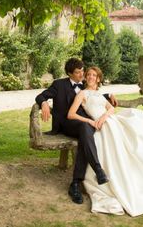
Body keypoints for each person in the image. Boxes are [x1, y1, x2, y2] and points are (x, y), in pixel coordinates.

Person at [68, 66, 143, 217]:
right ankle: (103, 174)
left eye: (94, 75)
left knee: (139, 132)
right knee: (114, 146)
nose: (91, 77)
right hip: (98, 125)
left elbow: (111, 109)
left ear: (98, 79)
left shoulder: (100, 94)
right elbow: (71, 114)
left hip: (109, 120)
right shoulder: (82, 94)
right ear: (86, 78)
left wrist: (105, 116)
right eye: (89, 75)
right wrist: (90, 121)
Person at [35, 58, 117, 205]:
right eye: (78, 72)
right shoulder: (59, 85)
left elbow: (93, 94)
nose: (82, 75)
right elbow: (41, 95)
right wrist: (43, 102)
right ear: (69, 73)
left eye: (82, 71)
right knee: (85, 131)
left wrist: (109, 94)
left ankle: (75, 184)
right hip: (67, 124)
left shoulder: (84, 83)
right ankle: (96, 170)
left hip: (86, 124)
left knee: (85, 137)